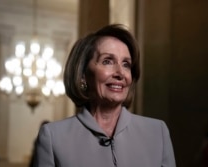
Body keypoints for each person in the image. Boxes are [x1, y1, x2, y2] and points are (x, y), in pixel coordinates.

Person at [33, 24, 176, 167]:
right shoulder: (53, 137)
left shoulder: (157, 132)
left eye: (126, 64)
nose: (120, 73)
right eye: (107, 61)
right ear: (83, 75)